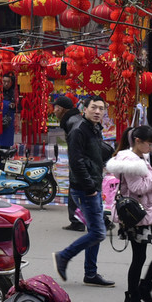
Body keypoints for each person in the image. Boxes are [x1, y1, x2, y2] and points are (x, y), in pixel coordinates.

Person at [107, 125, 152, 302]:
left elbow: (149, 184)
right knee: (139, 257)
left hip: (147, 214)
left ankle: (143, 288)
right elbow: (138, 188)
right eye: (150, 144)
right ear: (138, 141)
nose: (151, 148)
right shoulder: (131, 162)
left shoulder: (140, 157)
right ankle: (132, 297)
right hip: (137, 216)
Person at [53, 96, 114, 287]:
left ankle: (90, 273)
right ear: (84, 109)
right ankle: (64, 256)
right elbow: (76, 162)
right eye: (93, 108)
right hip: (85, 188)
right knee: (97, 232)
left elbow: (93, 156)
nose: (97, 111)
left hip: (92, 185)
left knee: (95, 230)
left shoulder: (94, 129)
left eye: (101, 109)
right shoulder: (79, 130)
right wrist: (89, 187)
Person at [54, 96, 86, 231]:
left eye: (55, 108)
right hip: (80, 159)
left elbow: (76, 144)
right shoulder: (74, 119)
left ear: (61, 109)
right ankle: (76, 220)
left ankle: (100, 220)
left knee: (77, 190)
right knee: (79, 190)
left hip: (80, 160)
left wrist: (75, 161)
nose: (54, 111)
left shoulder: (72, 122)